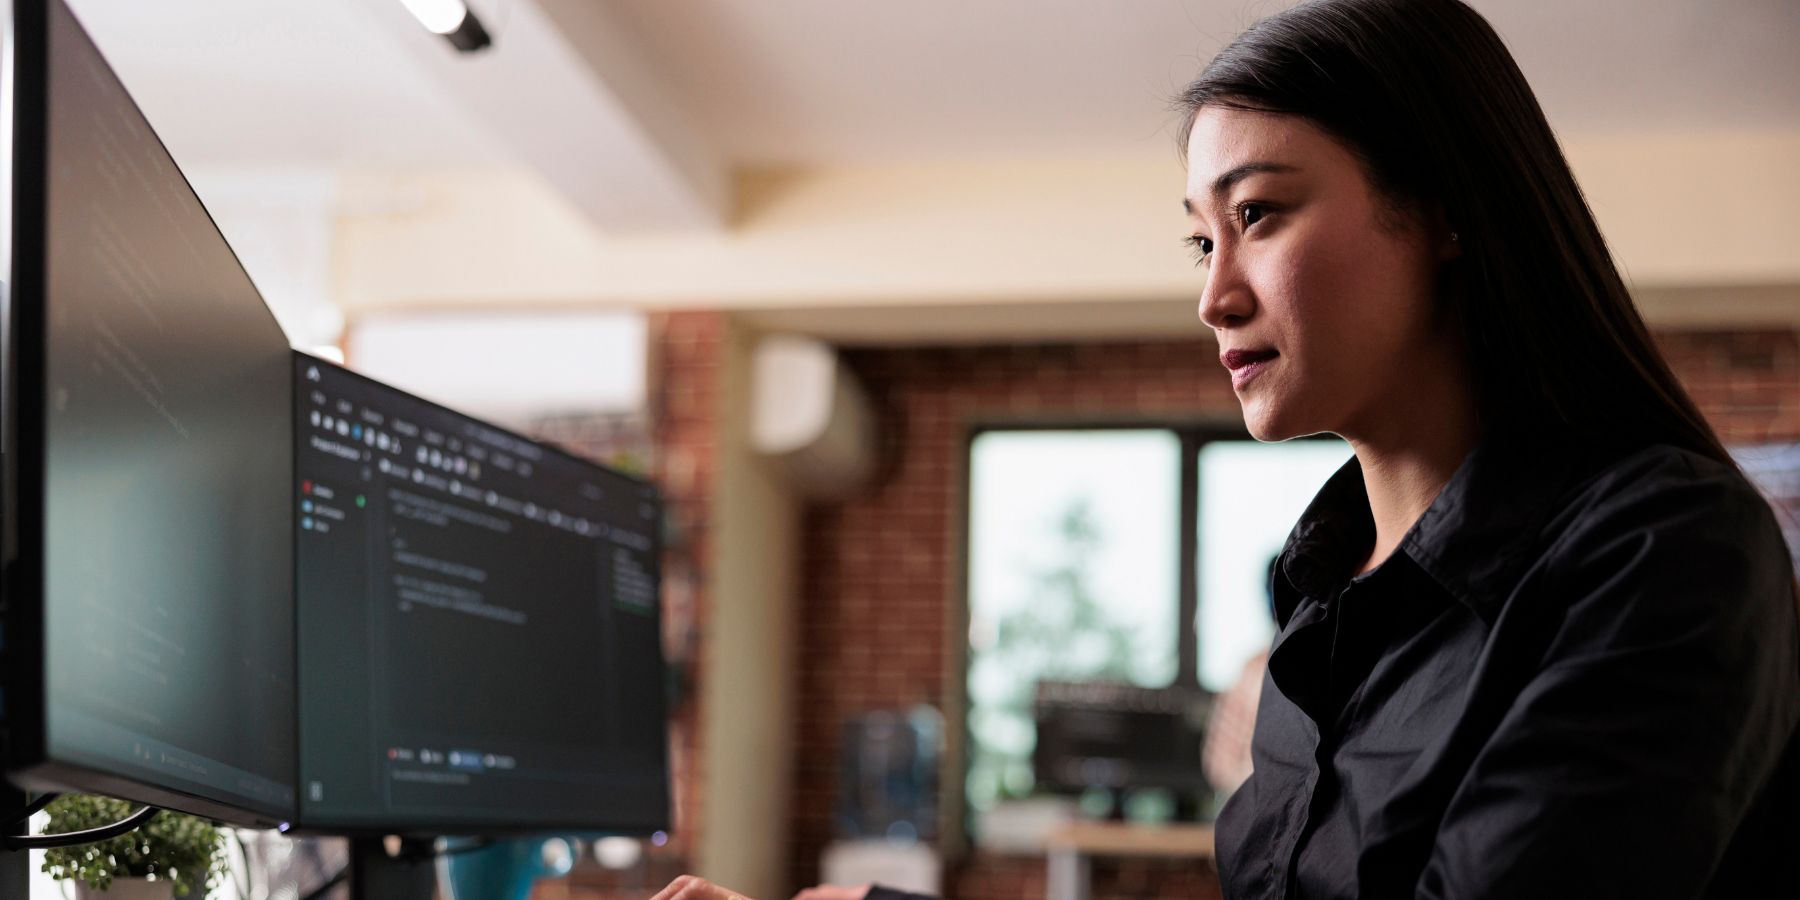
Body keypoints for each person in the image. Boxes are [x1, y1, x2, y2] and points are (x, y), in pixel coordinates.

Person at [656, 0, 1800, 897]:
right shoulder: (1317, 613)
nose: (1212, 295)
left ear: (1449, 210)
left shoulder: (1664, 554)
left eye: (1258, 215)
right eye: (1200, 240)